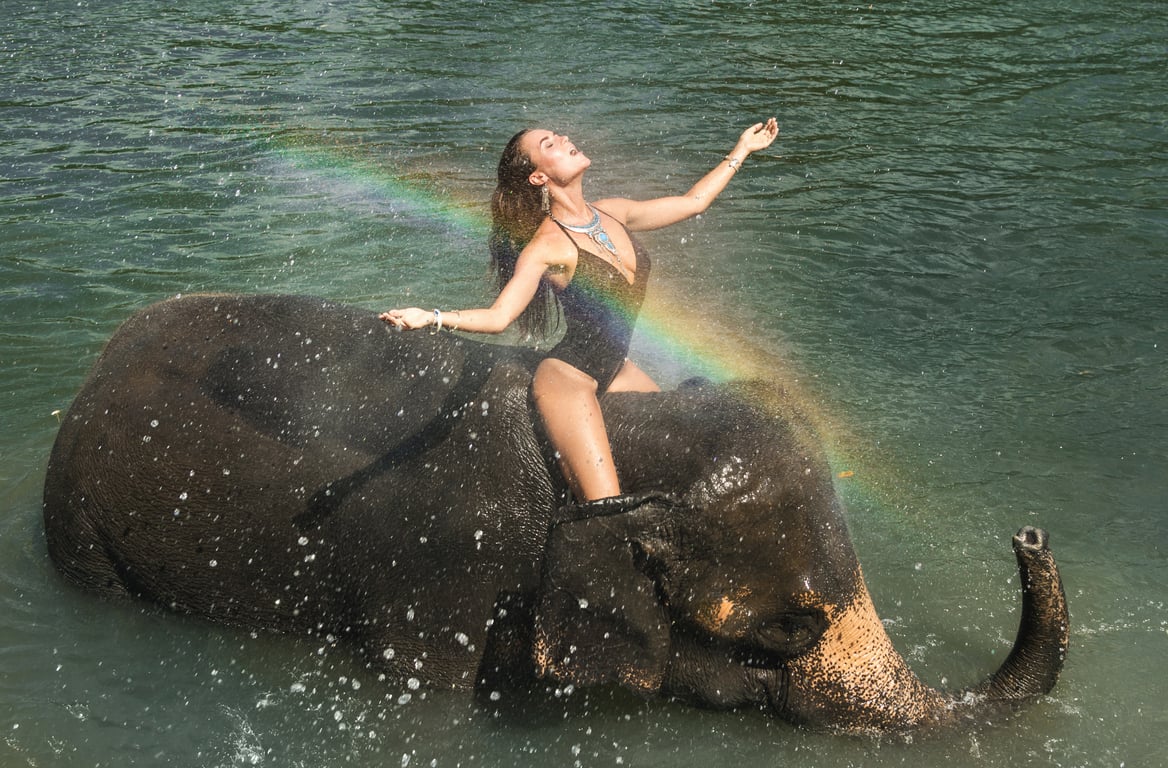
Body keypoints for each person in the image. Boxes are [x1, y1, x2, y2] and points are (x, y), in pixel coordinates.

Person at [382, 118, 779, 513]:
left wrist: (742, 149)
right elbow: (499, 316)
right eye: (549, 144)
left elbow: (694, 203)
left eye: (558, 135)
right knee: (606, 509)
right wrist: (430, 316)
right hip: (569, 381)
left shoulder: (612, 212)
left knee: (684, 452)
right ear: (538, 177)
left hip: (617, 371)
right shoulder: (546, 245)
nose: (564, 138)